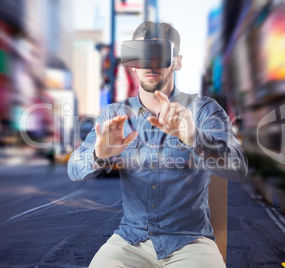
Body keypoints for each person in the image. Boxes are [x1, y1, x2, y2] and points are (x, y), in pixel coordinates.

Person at [68, 21, 248, 268]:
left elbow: (239, 168)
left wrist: (194, 138)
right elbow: (73, 169)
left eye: (160, 54)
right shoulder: (114, 113)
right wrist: (98, 154)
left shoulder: (203, 110)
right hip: (130, 240)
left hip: (189, 241)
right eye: (142, 55)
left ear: (178, 61)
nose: (151, 64)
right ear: (133, 64)